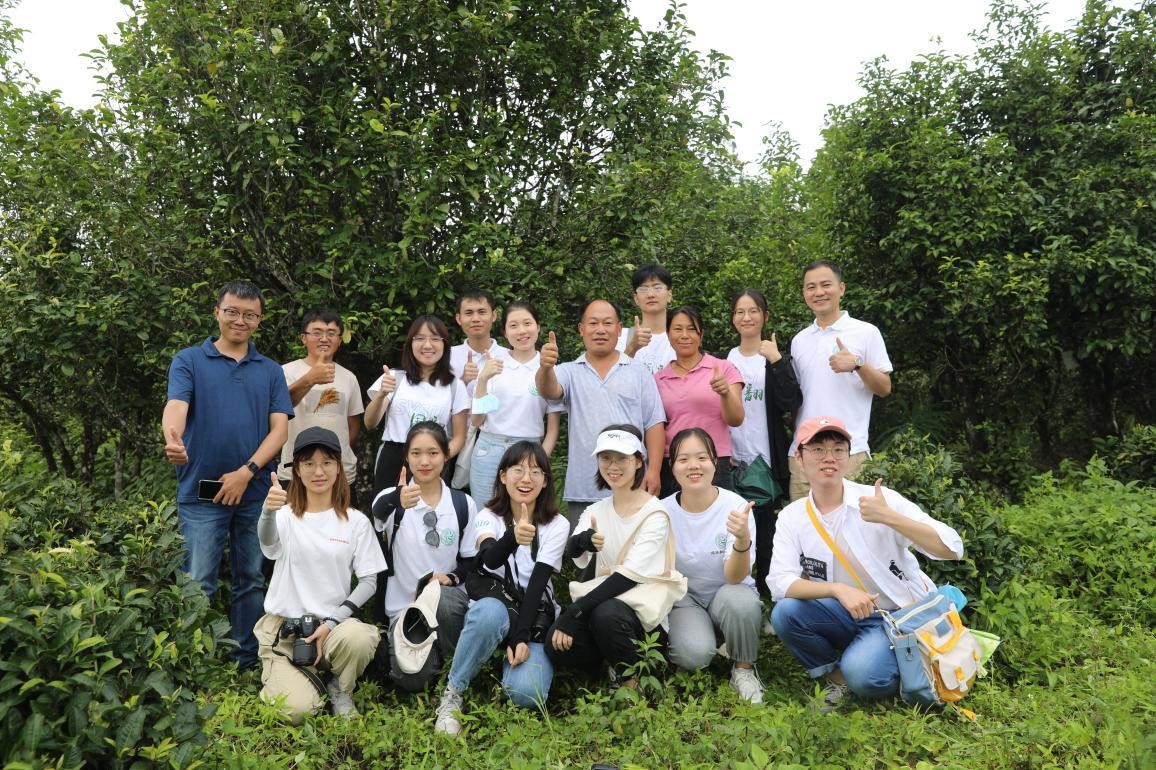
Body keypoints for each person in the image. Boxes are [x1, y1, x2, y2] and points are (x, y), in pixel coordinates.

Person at [768, 416, 964, 711]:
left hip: (899, 614)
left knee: (863, 675)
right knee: (786, 613)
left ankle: (900, 663)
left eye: (838, 449)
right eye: (818, 449)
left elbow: (952, 547)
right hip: (847, 612)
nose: (829, 458)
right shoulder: (793, 517)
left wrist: (890, 518)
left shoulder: (878, 500)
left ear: (849, 456)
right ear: (799, 457)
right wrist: (836, 590)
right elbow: (779, 582)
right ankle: (838, 679)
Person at [162, 279, 293, 668]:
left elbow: (280, 430)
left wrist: (246, 472)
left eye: (250, 315)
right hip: (201, 492)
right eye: (232, 311)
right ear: (217, 312)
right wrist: (172, 437)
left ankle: (246, 658)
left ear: (260, 320)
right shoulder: (189, 360)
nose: (240, 320)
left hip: (255, 493)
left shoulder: (270, 370)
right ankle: (193, 663)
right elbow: (176, 406)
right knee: (197, 580)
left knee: (250, 579)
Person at [434, 441, 568, 736]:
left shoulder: (557, 525)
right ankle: (454, 693)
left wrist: (519, 637)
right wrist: (512, 537)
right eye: (518, 470)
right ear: (503, 476)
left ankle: (494, 664)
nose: (526, 478)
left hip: (532, 615)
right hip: (496, 607)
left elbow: (537, 585)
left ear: (546, 480)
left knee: (526, 694)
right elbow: (489, 558)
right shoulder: (488, 516)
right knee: (488, 613)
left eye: (536, 471)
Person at [256, 427, 385, 723]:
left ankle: (340, 688)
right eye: (309, 463)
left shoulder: (356, 522)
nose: (318, 471)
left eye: (327, 462)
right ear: (297, 470)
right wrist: (267, 511)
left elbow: (369, 582)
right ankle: (291, 675)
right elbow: (268, 543)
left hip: (331, 630)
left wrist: (331, 623)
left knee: (361, 637)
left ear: (339, 468)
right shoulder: (285, 516)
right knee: (297, 711)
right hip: (286, 633)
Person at [546, 425, 677, 690]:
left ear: (638, 461)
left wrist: (575, 611)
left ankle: (632, 685)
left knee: (606, 613)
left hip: (644, 621)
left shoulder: (655, 514)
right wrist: (583, 541)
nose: (613, 466)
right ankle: (610, 662)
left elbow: (627, 577)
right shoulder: (596, 510)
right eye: (606, 458)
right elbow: (572, 551)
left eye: (622, 458)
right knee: (555, 644)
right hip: (603, 610)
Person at [536, 300, 666, 528]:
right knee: (586, 548)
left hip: (632, 485)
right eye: (593, 323)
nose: (600, 330)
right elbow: (549, 390)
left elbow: (654, 423)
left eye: (607, 323)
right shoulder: (569, 371)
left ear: (619, 329)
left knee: (633, 548)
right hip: (584, 489)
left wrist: (654, 470)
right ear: (581, 329)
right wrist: (546, 367)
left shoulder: (639, 372)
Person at [370, 421, 476, 691]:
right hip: (405, 610)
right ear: (406, 457)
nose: (424, 461)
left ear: (446, 455)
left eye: (433, 453)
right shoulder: (393, 499)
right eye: (416, 453)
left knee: (442, 600)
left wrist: (451, 578)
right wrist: (397, 499)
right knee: (411, 680)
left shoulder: (463, 504)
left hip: (448, 607)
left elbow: (470, 561)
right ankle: (432, 657)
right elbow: (378, 511)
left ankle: (453, 666)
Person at [661, 428, 764, 703]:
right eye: (683, 459)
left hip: (728, 592)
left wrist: (742, 539)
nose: (693, 466)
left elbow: (735, 576)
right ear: (672, 467)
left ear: (715, 462)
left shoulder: (736, 507)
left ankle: (743, 669)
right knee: (693, 654)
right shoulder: (661, 512)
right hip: (685, 598)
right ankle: (708, 638)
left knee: (741, 602)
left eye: (701, 458)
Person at [788, 260, 893, 501]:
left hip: (849, 453)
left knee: (852, 523)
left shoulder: (866, 332)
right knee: (804, 523)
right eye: (811, 287)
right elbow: (797, 399)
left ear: (841, 288)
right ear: (804, 293)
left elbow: (884, 388)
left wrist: (857, 364)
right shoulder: (799, 340)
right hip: (804, 454)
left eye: (826, 285)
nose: (819, 292)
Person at [726, 289, 803, 599]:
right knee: (736, 533)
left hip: (767, 463)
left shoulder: (773, 358)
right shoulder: (724, 360)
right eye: (740, 311)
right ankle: (740, 595)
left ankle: (767, 596)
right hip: (733, 462)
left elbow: (791, 401)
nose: (747, 317)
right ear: (733, 319)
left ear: (765, 316)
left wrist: (777, 360)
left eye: (754, 310)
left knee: (768, 536)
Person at [468, 301, 562, 501]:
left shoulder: (549, 368)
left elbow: (553, 428)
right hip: (489, 449)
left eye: (527, 323)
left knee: (523, 515)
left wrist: (538, 461)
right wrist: (483, 379)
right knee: (485, 514)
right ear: (505, 332)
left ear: (538, 327)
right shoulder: (494, 363)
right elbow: (477, 420)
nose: (521, 331)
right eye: (513, 325)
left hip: (529, 452)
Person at [365, 315, 468, 496]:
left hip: (435, 461)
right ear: (410, 344)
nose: (427, 345)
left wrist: (440, 457)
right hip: (394, 459)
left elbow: (459, 437)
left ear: (444, 344)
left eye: (435, 338)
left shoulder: (455, 385)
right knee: (391, 510)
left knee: (433, 511)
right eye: (420, 338)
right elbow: (369, 423)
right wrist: (380, 395)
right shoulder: (394, 378)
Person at [654, 306, 744, 497]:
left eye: (691, 329)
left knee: (719, 515)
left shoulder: (723, 368)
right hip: (674, 462)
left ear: (701, 334)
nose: (684, 335)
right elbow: (655, 428)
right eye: (678, 329)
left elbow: (736, 419)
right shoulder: (658, 379)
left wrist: (725, 393)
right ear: (668, 335)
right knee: (674, 515)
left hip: (714, 460)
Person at [279, 308, 364, 490]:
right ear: (304, 338)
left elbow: (353, 425)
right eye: (317, 333)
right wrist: (310, 379)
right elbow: (279, 410)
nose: (324, 339)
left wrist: (333, 456)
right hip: (295, 472)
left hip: (340, 474)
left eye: (331, 333)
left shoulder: (349, 378)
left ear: (339, 340)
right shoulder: (284, 372)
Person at [615, 263, 676, 375]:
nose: (650, 294)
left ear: (669, 295)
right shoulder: (621, 337)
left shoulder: (680, 337)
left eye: (657, 288)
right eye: (643, 289)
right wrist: (632, 348)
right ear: (636, 298)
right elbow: (611, 379)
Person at [449, 289, 510, 397]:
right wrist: (463, 380)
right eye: (469, 313)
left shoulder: (510, 356)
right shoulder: (447, 357)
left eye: (482, 312)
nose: (476, 319)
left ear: (494, 316)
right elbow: (437, 401)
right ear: (459, 319)